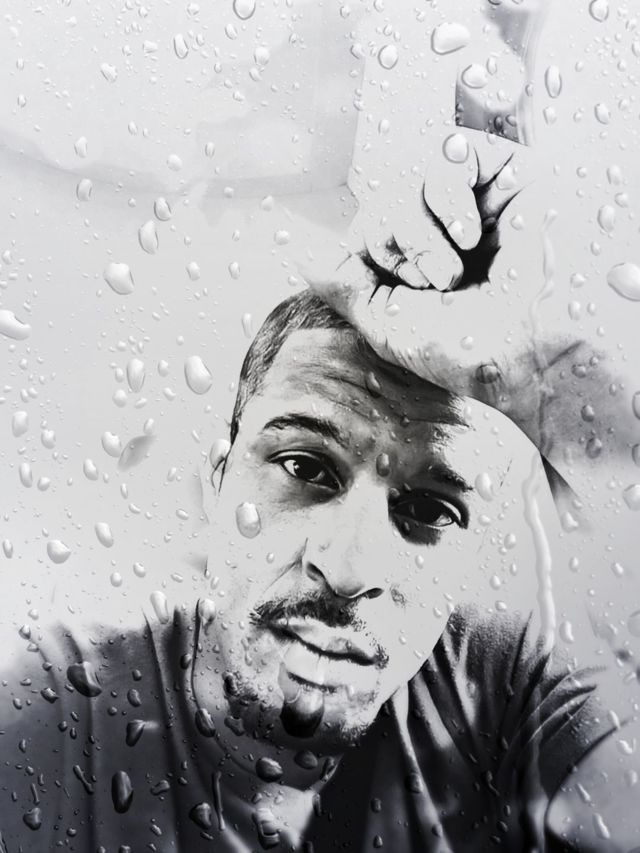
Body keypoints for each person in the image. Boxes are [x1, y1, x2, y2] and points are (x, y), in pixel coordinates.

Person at [1, 286, 637, 852]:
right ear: (218, 479)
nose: (346, 569)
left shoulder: (500, 691)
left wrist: (561, 382)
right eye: (305, 467)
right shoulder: (54, 712)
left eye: (428, 509)